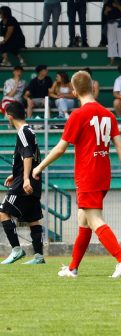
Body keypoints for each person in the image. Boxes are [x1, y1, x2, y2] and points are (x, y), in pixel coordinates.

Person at [32, 70, 121, 278]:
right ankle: (72, 268)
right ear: (92, 88)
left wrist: (39, 167)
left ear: (74, 91)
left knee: (95, 218)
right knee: (83, 219)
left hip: (87, 174)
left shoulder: (78, 115)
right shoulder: (108, 114)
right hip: (103, 174)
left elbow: (60, 148)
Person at [0, 102, 45, 265]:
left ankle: (16, 250)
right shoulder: (30, 131)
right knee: (33, 218)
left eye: (6, 116)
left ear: (10, 117)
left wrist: (24, 178)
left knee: (3, 211)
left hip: (25, 182)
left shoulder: (23, 132)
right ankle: (39, 256)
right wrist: (15, 173)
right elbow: (28, 156)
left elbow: (27, 156)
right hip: (33, 180)